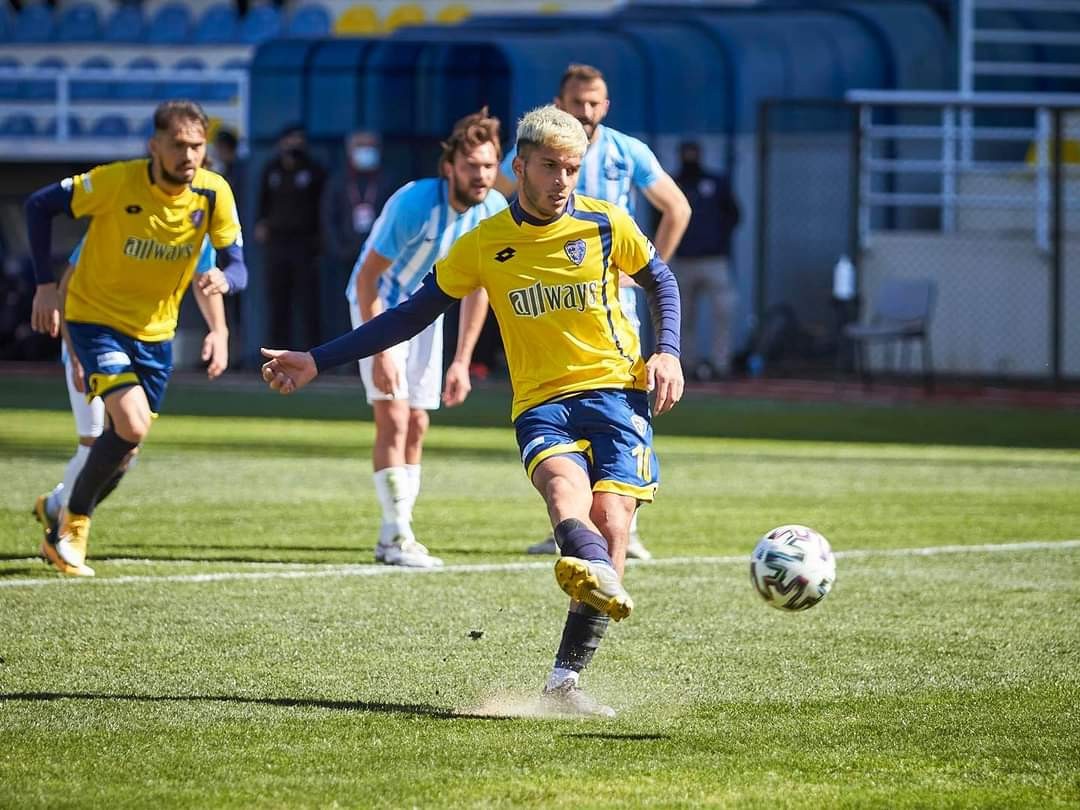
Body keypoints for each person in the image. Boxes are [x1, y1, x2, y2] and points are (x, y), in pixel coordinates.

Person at [261, 105, 684, 717]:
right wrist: (317, 358)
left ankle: (564, 681)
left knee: (613, 520)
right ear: (521, 166)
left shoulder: (606, 223)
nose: (563, 180)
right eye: (550, 167)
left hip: (618, 393)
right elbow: (410, 313)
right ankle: (589, 567)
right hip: (542, 401)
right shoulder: (484, 242)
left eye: (572, 168)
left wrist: (666, 351)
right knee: (565, 493)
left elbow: (662, 281)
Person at [26, 99, 247, 577]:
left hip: (155, 335)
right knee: (126, 427)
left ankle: (60, 505)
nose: (189, 156)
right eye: (178, 145)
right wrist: (45, 288)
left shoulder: (211, 195)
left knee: (124, 449)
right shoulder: (115, 184)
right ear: (154, 146)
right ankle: (71, 529)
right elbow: (39, 206)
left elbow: (234, 265)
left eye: (197, 146)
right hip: (93, 322)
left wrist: (225, 301)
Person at [496, 62, 691, 561]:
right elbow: (497, 202)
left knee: (614, 412)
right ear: (558, 105)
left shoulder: (628, 151)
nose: (587, 111)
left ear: (606, 104)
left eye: (596, 102)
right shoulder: (536, 151)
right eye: (578, 102)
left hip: (609, 298)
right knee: (556, 404)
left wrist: (641, 271)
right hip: (548, 295)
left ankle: (621, 519)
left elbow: (677, 208)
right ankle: (573, 519)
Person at [345, 109, 506, 568]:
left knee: (418, 423)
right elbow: (367, 280)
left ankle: (393, 533)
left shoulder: (493, 211)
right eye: (472, 165)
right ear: (449, 167)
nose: (481, 175)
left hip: (426, 315)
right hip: (377, 308)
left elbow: (479, 288)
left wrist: (462, 360)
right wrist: (379, 350)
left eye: (489, 166)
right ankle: (398, 537)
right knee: (394, 418)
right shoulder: (415, 203)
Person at [32, 236, 227, 539]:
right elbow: (68, 282)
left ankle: (56, 506)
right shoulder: (119, 213)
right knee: (94, 443)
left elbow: (206, 277)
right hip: (93, 342)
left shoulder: (194, 222)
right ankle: (65, 535)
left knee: (124, 451)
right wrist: (74, 353)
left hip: (144, 348)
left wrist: (219, 330)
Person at [671, 140, 741, 380]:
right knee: (681, 316)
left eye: (694, 153)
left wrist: (717, 239)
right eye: (686, 153)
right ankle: (685, 364)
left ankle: (721, 364)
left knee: (724, 313)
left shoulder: (716, 182)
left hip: (715, 260)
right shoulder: (672, 184)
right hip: (683, 261)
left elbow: (734, 214)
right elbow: (659, 218)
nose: (690, 157)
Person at [256, 124, 326, 347]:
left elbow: (321, 207)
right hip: (277, 243)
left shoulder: (314, 170)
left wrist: (319, 240)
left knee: (308, 302)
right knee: (278, 301)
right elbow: (262, 202)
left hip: (304, 243)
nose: (294, 145)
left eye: (299, 140)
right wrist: (262, 224)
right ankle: (275, 352)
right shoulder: (272, 169)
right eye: (290, 140)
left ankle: (313, 354)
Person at [321, 130, 386, 340]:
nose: (366, 151)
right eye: (361, 146)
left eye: (370, 146)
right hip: (346, 254)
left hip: (380, 254)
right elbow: (328, 217)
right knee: (344, 306)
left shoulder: (387, 180)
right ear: (350, 151)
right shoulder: (339, 181)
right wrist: (339, 249)